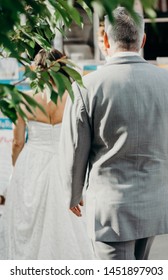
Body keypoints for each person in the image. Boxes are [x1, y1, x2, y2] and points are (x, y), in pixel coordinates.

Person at [60, 7, 168, 260]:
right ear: (142, 40)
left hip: (110, 211)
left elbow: (75, 148)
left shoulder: (86, 87)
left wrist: (72, 193)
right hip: (154, 202)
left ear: (106, 40)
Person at [1, 48, 94, 260]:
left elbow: (16, 142)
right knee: (65, 225)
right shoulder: (73, 97)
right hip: (64, 162)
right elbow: (81, 139)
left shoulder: (25, 98)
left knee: (28, 223)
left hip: (32, 162)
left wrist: (18, 168)